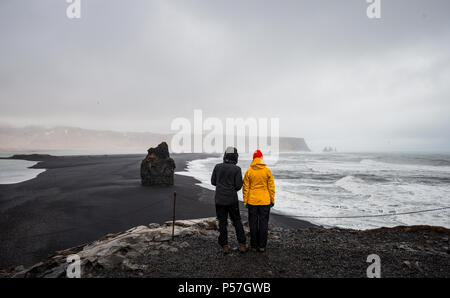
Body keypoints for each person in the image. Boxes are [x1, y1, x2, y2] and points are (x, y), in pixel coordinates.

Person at [211, 147, 248, 254]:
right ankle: (242, 245)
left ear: (225, 155)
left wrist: (221, 185)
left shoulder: (217, 167)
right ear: (235, 157)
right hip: (232, 199)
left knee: (222, 222)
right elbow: (238, 186)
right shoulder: (237, 169)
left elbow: (213, 182)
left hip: (219, 199)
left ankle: (225, 246)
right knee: (237, 221)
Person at [243, 149, 275, 252]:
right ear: (261, 158)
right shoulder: (267, 170)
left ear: (253, 159)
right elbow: (271, 187)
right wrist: (272, 200)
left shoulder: (249, 171)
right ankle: (262, 246)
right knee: (263, 223)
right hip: (265, 201)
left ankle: (253, 246)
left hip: (252, 201)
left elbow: (245, 188)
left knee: (252, 223)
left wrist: (245, 201)